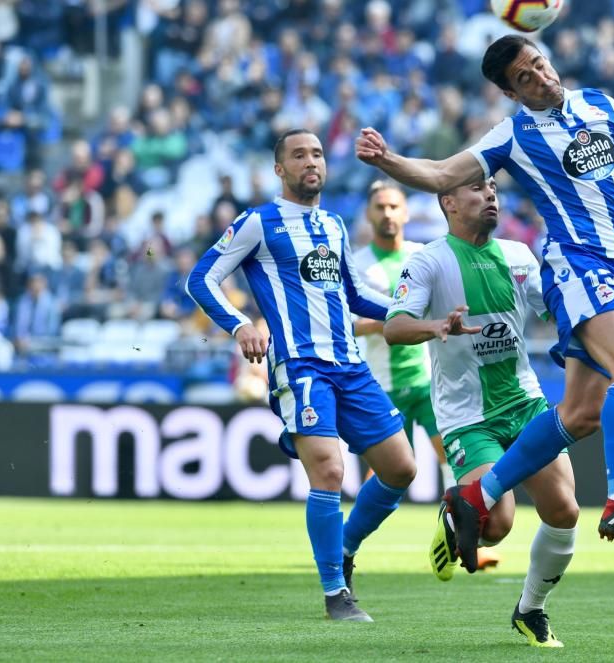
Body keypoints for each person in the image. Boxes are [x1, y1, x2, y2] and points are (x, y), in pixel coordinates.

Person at [356, 35, 614, 566]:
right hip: (577, 262)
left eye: (539, 65)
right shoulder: (514, 135)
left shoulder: (601, 105)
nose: (541, 78)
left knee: (581, 413)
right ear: (511, 93)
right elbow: (440, 174)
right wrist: (387, 159)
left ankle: (474, 497)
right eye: (524, 78)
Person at [186, 129, 417, 623]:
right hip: (300, 366)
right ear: (279, 169)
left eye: (316, 153)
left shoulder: (334, 225)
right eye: (298, 155)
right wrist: (240, 323)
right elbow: (200, 278)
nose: (310, 161)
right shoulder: (258, 223)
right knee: (330, 473)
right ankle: (337, 594)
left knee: (402, 468)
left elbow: (357, 297)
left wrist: (416, 313)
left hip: (351, 365)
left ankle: (346, 547)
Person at [383, 176, 579, 648]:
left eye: (492, 187)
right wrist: (436, 326)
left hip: (525, 400)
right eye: (476, 189)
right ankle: (454, 520)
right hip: (466, 414)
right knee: (497, 523)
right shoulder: (428, 261)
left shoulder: (518, 255)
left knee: (565, 511)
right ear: (449, 202)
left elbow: (551, 309)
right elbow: (394, 328)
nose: (490, 194)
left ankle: (531, 610)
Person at [352, 179, 501, 569]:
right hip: (381, 385)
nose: (387, 214)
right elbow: (347, 324)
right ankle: (352, 544)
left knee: (456, 460)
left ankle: (470, 540)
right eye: (379, 207)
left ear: (405, 213)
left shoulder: (423, 257)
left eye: (393, 207)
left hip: (427, 382)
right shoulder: (358, 265)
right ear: (369, 215)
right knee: (384, 473)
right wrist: (397, 317)